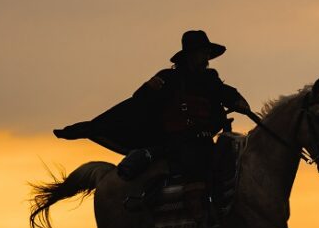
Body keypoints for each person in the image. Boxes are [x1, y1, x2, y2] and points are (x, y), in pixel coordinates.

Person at [54, 30, 253, 203]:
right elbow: (140, 102)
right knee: (195, 163)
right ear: (190, 55)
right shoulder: (169, 78)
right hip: (178, 143)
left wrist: (238, 101)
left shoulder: (210, 80)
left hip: (205, 141)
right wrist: (147, 88)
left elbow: (225, 92)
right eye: (203, 53)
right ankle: (197, 212)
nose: (207, 59)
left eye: (207, 54)